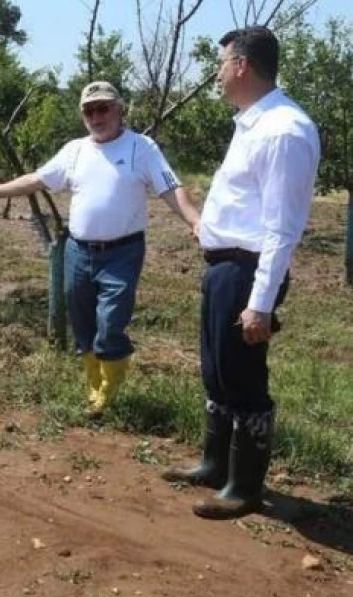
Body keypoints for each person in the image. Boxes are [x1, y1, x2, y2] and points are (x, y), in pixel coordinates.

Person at [0, 81, 200, 417]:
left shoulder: (140, 147)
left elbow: (170, 188)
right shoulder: (75, 150)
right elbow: (39, 179)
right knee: (83, 320)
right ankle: (93, 381)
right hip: (78, 250)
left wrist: (194, 221)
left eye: (103, 108)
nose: (96, 116)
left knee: (111, 320)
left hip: (122, 252)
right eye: (89, 110)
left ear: (120, 110)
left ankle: (111, 383)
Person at [161, 26, 320, 520]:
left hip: (248, 272)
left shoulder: (284, 131)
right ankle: (214, 463)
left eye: (222, 63)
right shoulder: (252, 122)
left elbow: (281, 228)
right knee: (216, 371)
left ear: (242, 66)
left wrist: (261, 303)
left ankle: (245, 487)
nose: (217, 72)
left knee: (243, 378)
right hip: (223, 266)